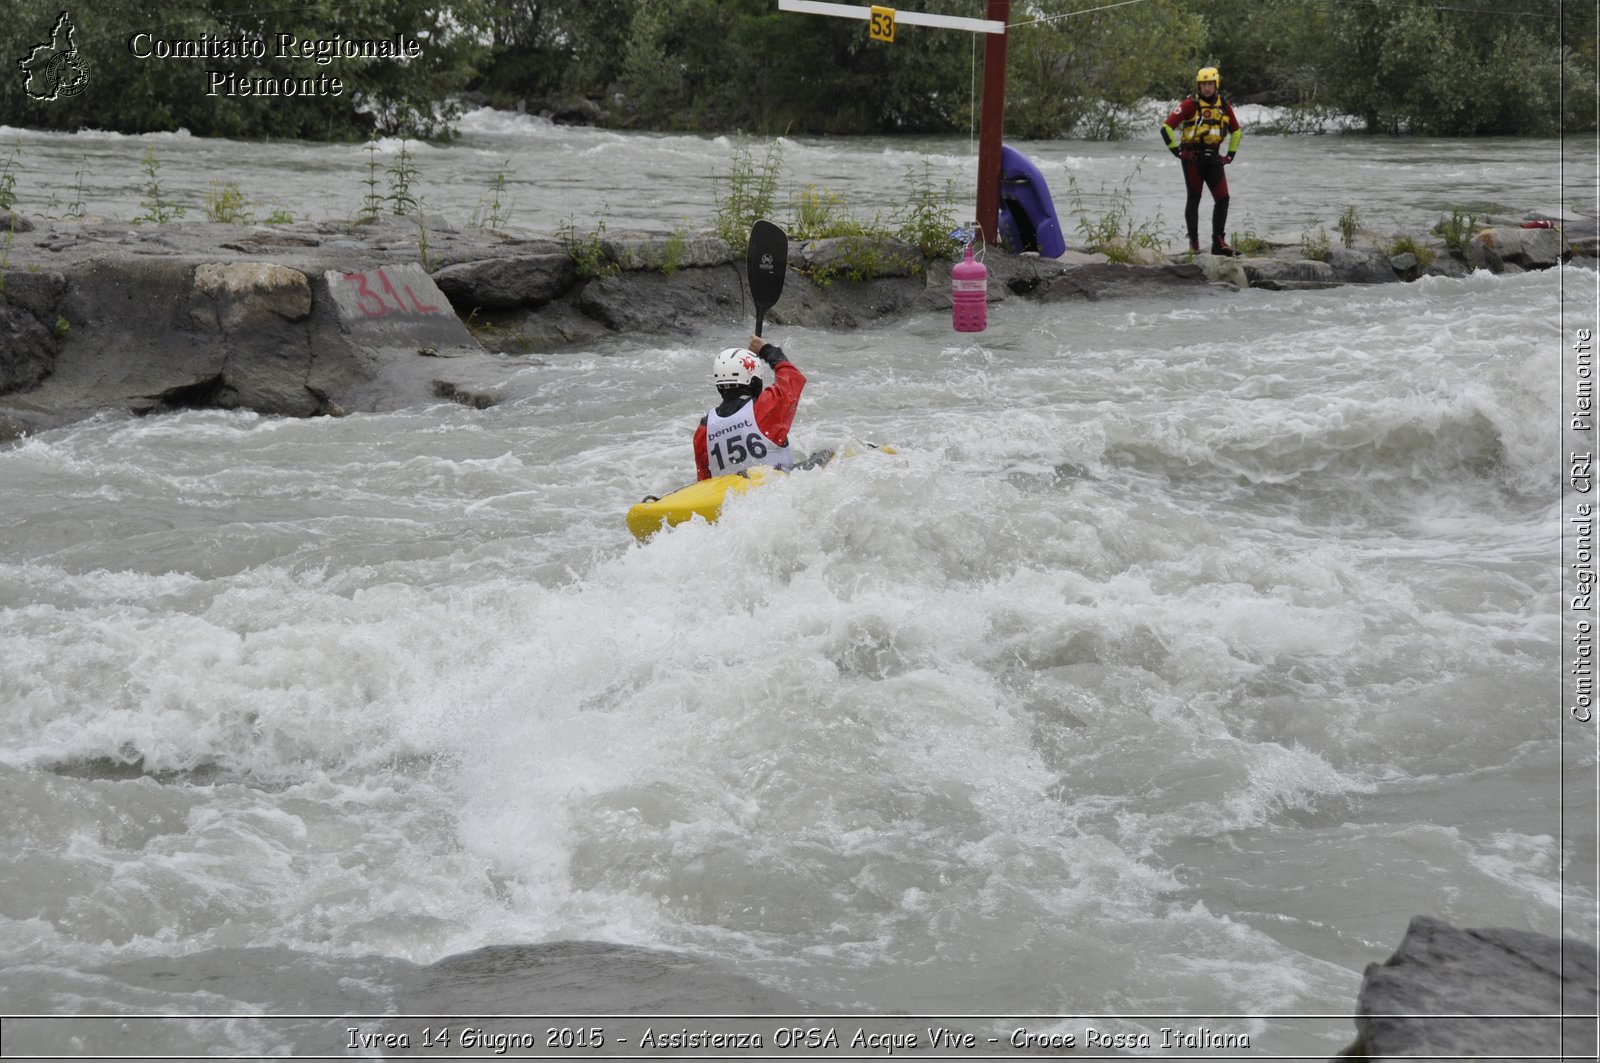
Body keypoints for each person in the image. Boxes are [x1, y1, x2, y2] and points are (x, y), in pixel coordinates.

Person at [693, 333, 806, 481]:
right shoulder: (764, 408)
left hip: (730, 499)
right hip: (775, 490)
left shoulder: (703, 431)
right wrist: (766, 350)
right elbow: (793, 378)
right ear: (754, 382)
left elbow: (704, 481)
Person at [1160, 66, 1243, 257]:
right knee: (1194, 199)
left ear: (1216, 84)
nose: (1207, 88)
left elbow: (1236, 131)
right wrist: (1177, 151)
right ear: (1199, 85)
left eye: (1210, 84)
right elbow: (1166, 128)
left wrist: (1230, 155)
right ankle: (1194, 244)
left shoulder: (1223, 104)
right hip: (1193, 159)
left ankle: (1218, 243)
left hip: (1214, 158)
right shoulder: (1190, 104)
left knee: (1223, 199)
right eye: (1203, 84)